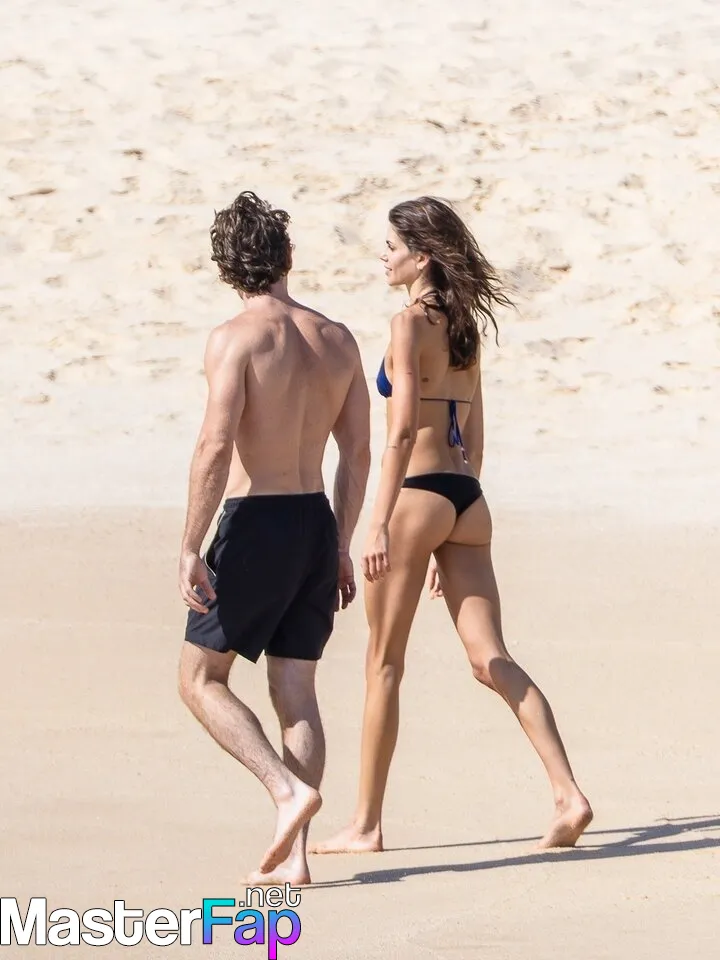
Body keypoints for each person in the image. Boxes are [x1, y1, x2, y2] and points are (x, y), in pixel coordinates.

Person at [311, 196, 593, 855]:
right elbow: (476, 434)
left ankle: (366, 826)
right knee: (490, 658)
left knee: (383, 664)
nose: (383, 256)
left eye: (391, 246)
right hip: (467, 498)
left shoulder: (407, 324)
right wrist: (450, 528)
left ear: (422, 257)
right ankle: (567, 792)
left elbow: (402, 430)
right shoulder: (465, 324)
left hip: (415, 496)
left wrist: (379, 524)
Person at [177, 190, 371, 885]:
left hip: (255, 521)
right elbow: (357, 454)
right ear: (287, 255)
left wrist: (190, 544)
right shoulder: (337, 339)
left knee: (199, 679)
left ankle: (285, 790)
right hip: (315, 521)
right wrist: (341, 543)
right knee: (296, 690)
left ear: (226, 266)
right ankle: (293, 859)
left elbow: (215, 444)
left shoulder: (235, 338)